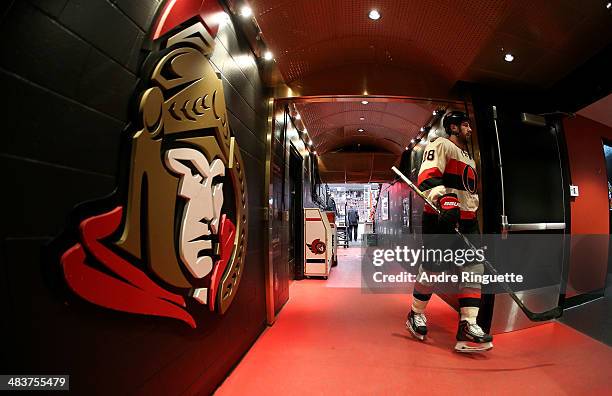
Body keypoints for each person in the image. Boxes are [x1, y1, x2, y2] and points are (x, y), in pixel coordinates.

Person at [405, 111, 493, 352]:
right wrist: (445, 199)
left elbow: (469, 190)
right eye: (465, 125)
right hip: (439, 218)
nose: (469, 129)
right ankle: (415, 313)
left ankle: (468, 324)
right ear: (453, 127)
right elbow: (426, 177)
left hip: (468, 221)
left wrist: (469, 211)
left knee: (474, 268)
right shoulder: (440, 144)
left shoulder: (469, 157)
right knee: (433, 269)